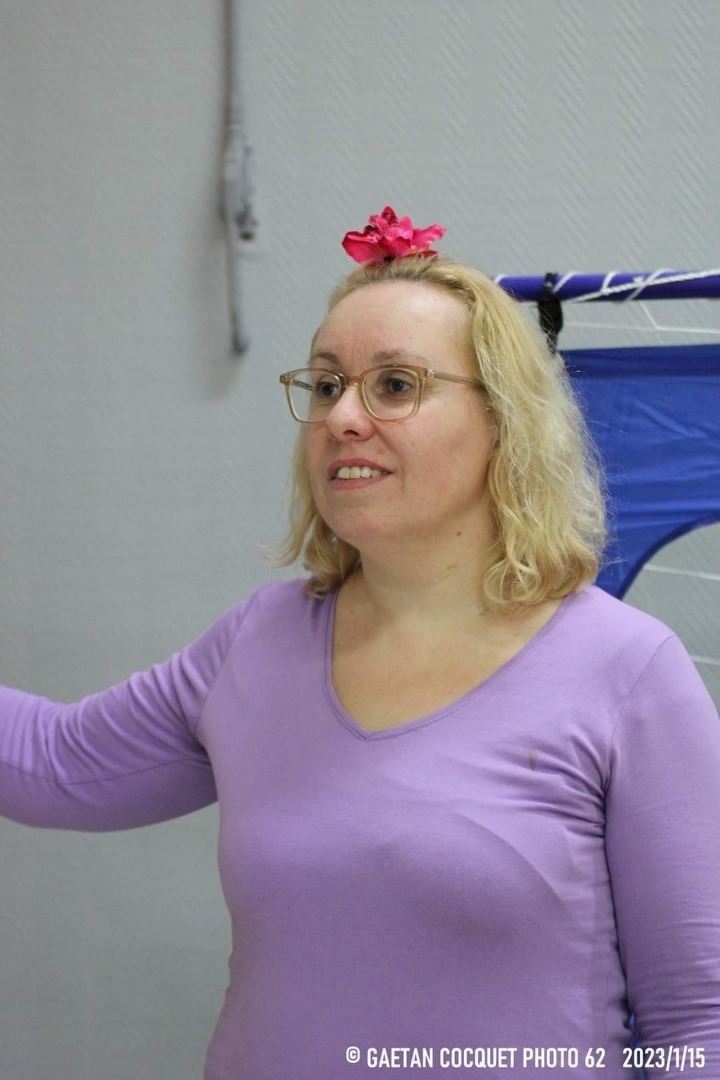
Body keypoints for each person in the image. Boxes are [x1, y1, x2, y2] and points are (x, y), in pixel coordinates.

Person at [1, 207, 719, 1079]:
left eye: (396, 385)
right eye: (326, 384)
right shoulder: (256, 643)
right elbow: (51, 763)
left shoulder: (627, 670)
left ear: (504, 421)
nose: (343, 416)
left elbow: (700, 1025)